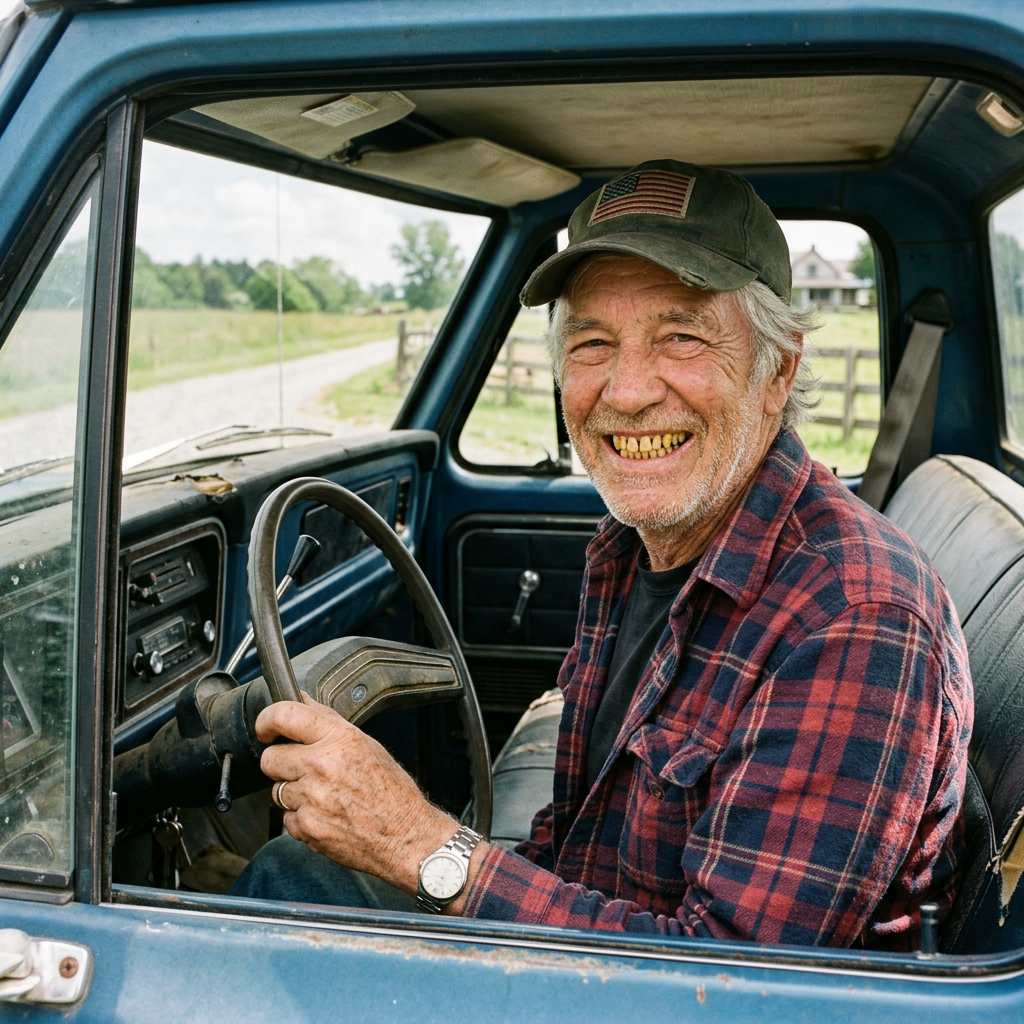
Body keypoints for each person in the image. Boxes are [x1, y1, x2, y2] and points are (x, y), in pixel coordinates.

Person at [231, 159, 972, 950]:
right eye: (592, 343)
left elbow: (729, 985)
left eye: (680, 337)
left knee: (286, 883)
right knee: (295, 871)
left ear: (775, 371)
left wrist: (419, 844)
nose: (624, 391)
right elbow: (578, 840)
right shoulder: (631, 545)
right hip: (611, 963)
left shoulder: (853, 618)